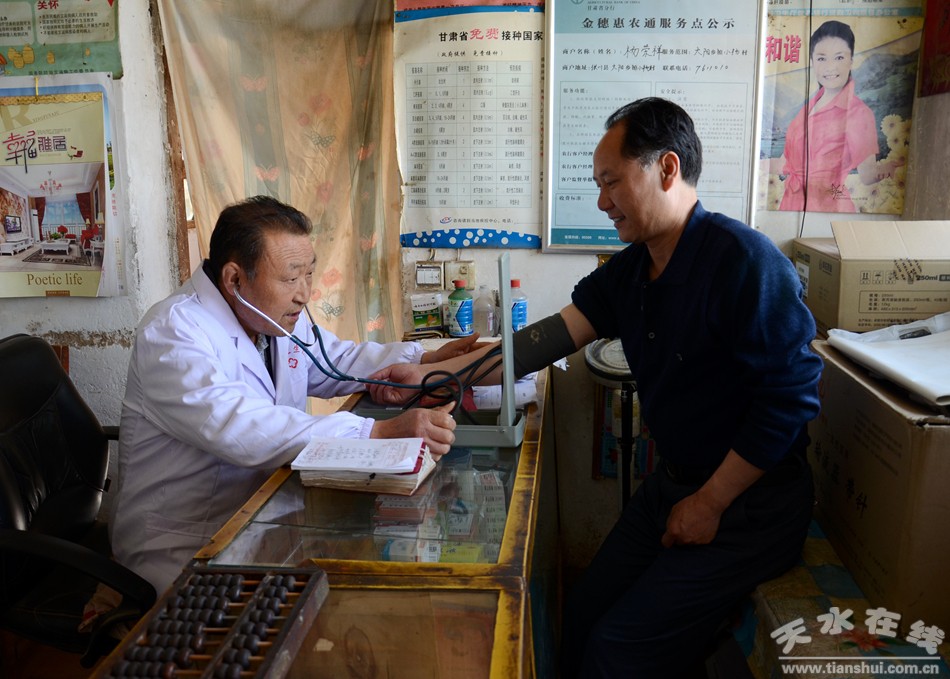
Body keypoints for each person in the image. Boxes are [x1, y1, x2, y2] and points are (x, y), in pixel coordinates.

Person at [368, 98, 823, 678]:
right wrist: (433, 377)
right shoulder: (632, 271)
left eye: (612, 182)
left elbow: (790, 400)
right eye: (598, 185)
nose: (603, 202)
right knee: (580, 613)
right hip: (674, 486)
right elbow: (540, 343)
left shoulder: (746, 263)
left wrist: (710, 503)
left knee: (616, 648)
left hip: (748, 506)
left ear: (666, 168)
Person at [109, 195, 480, 593]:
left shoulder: (269, 316)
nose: (304, 294)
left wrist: (422, 359)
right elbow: (241, 427)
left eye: (309, 274)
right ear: (235, 280)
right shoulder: (173, 332)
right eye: (290, 278)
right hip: (182, 547)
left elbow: (335, 360)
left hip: (260, 519)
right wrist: (375, 433)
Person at [778, 19, 901, 212]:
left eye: (839, 57)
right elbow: (786, 161)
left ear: (851, 61)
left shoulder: (859, 113)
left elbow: (867, 175)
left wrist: (887, 169)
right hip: (791, 204)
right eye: (821, 58)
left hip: (828, 207)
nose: (830, 67)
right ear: (812, 62)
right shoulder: (811, 104)